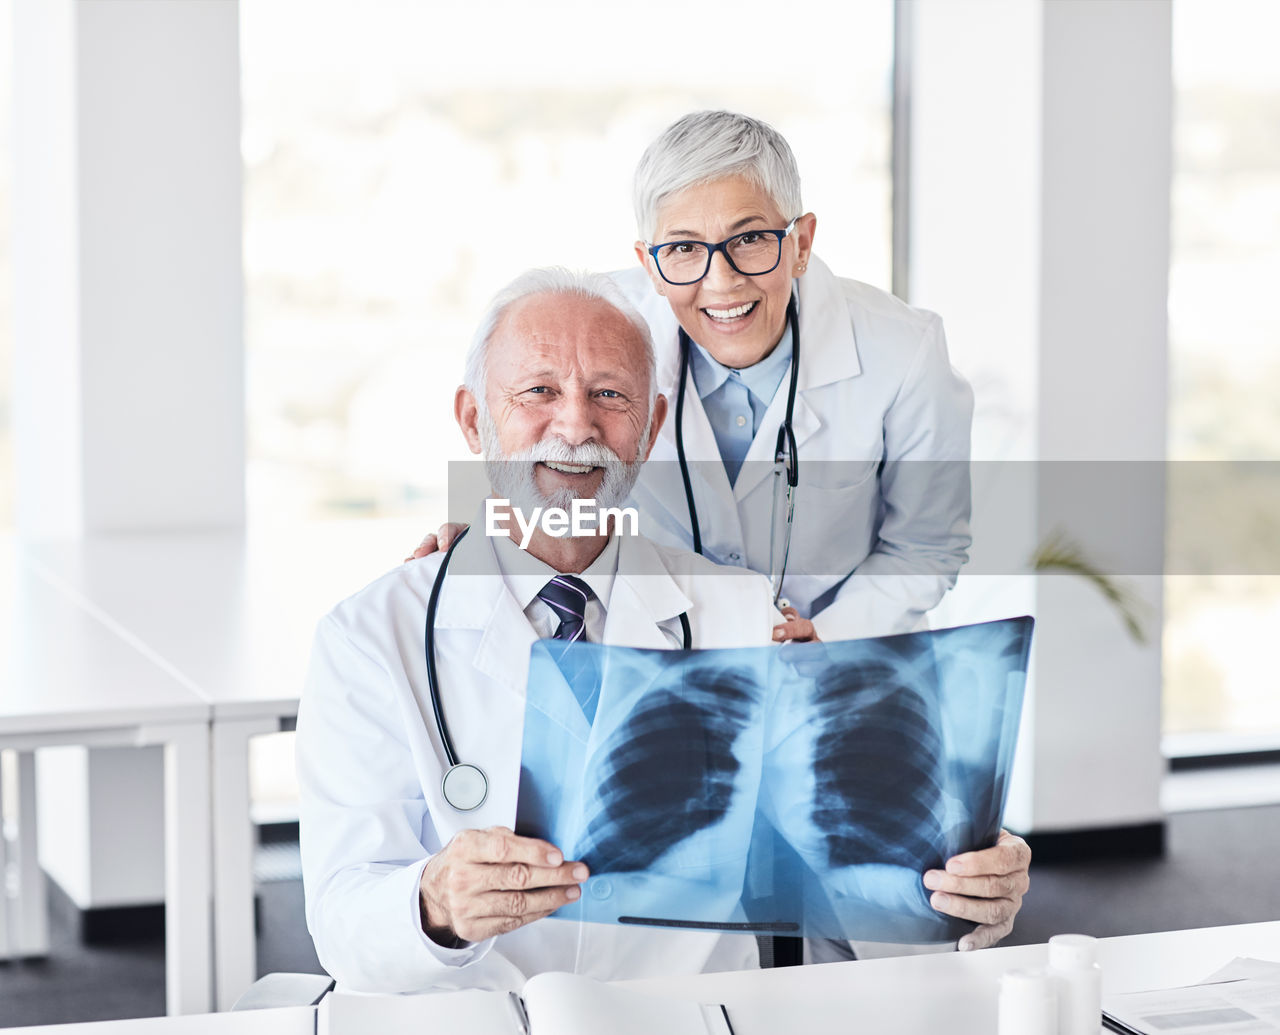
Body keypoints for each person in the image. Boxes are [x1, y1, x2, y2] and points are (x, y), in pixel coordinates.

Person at [302, 268, 1028, 994]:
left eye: (609, 395)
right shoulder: (371, 636)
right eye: (539, 392)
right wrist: (433, 902)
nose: (577, 426)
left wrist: (959, 889)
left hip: (685, 1017)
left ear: (650, 427)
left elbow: (846, 879)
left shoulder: (743, 616)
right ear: (472, 420)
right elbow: (341, 915)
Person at [415, 110, 972, 645]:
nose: (721, 281)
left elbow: (927, 545)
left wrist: (830, 634)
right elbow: (539, 439)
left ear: (800, 243)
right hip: (655, 649)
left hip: (837, 661)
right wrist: (495, 534)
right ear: (650, 263)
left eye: (750, 239)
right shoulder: (604, 333)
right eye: (683, 248)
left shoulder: (903, 352)